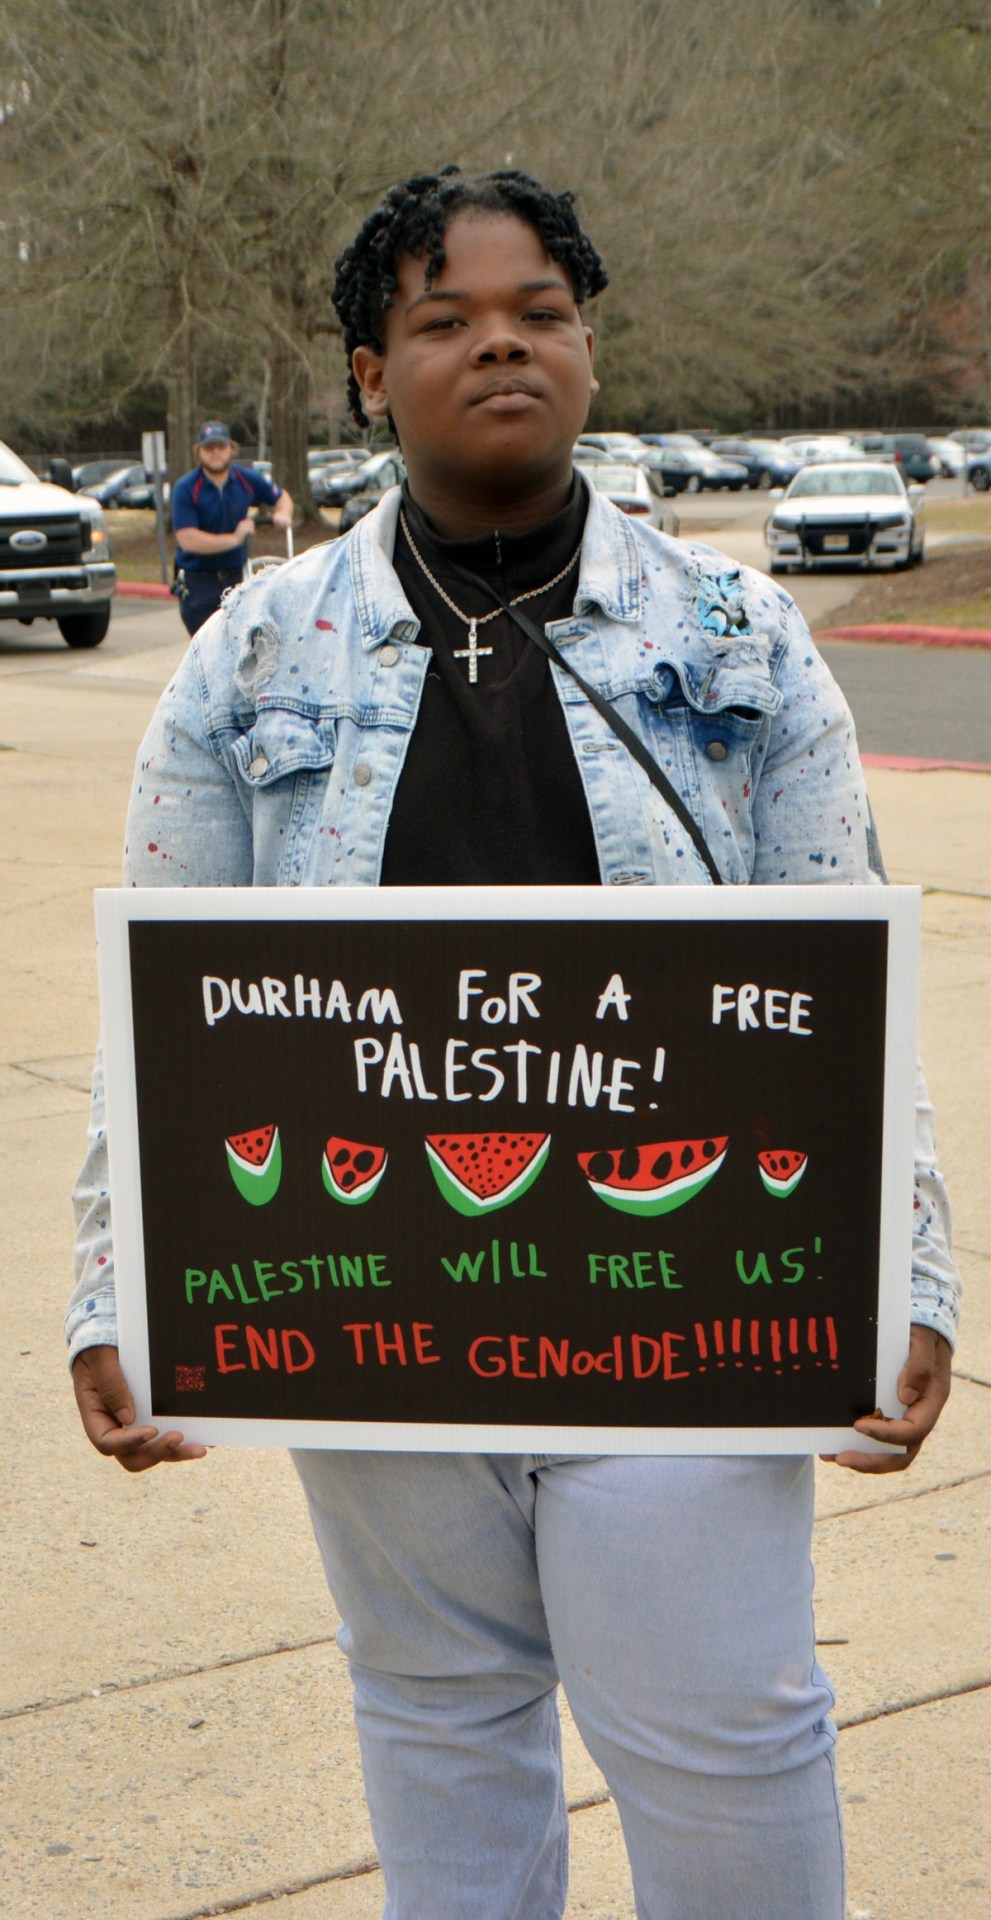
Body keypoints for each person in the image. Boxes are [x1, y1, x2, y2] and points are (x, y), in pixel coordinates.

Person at [68, 168, 960, 1919]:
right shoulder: (255, 656)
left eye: (539, 313)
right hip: (375, 1299)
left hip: (685, 1290)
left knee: (721, 1729)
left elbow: (844, 969)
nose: (501, 346)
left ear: (588, 345)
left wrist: (898, 1260)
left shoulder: (740, 639)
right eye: (445, 319)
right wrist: (125, 1281)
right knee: (438, 1713)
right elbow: (163, 1001)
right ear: (364, 371)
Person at [170, 420, 295, 636]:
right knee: (207, 651)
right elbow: (188, 539)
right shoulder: (186, 488)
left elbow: (282, 496)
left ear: (231, 449)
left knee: (242, 648)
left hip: (237, 580)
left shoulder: (245, 479)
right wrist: (235, 539)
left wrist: (283, 513)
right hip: (199, 584)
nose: (215, 452)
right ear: (199, 452)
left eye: (221, 446)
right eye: (209, 448)